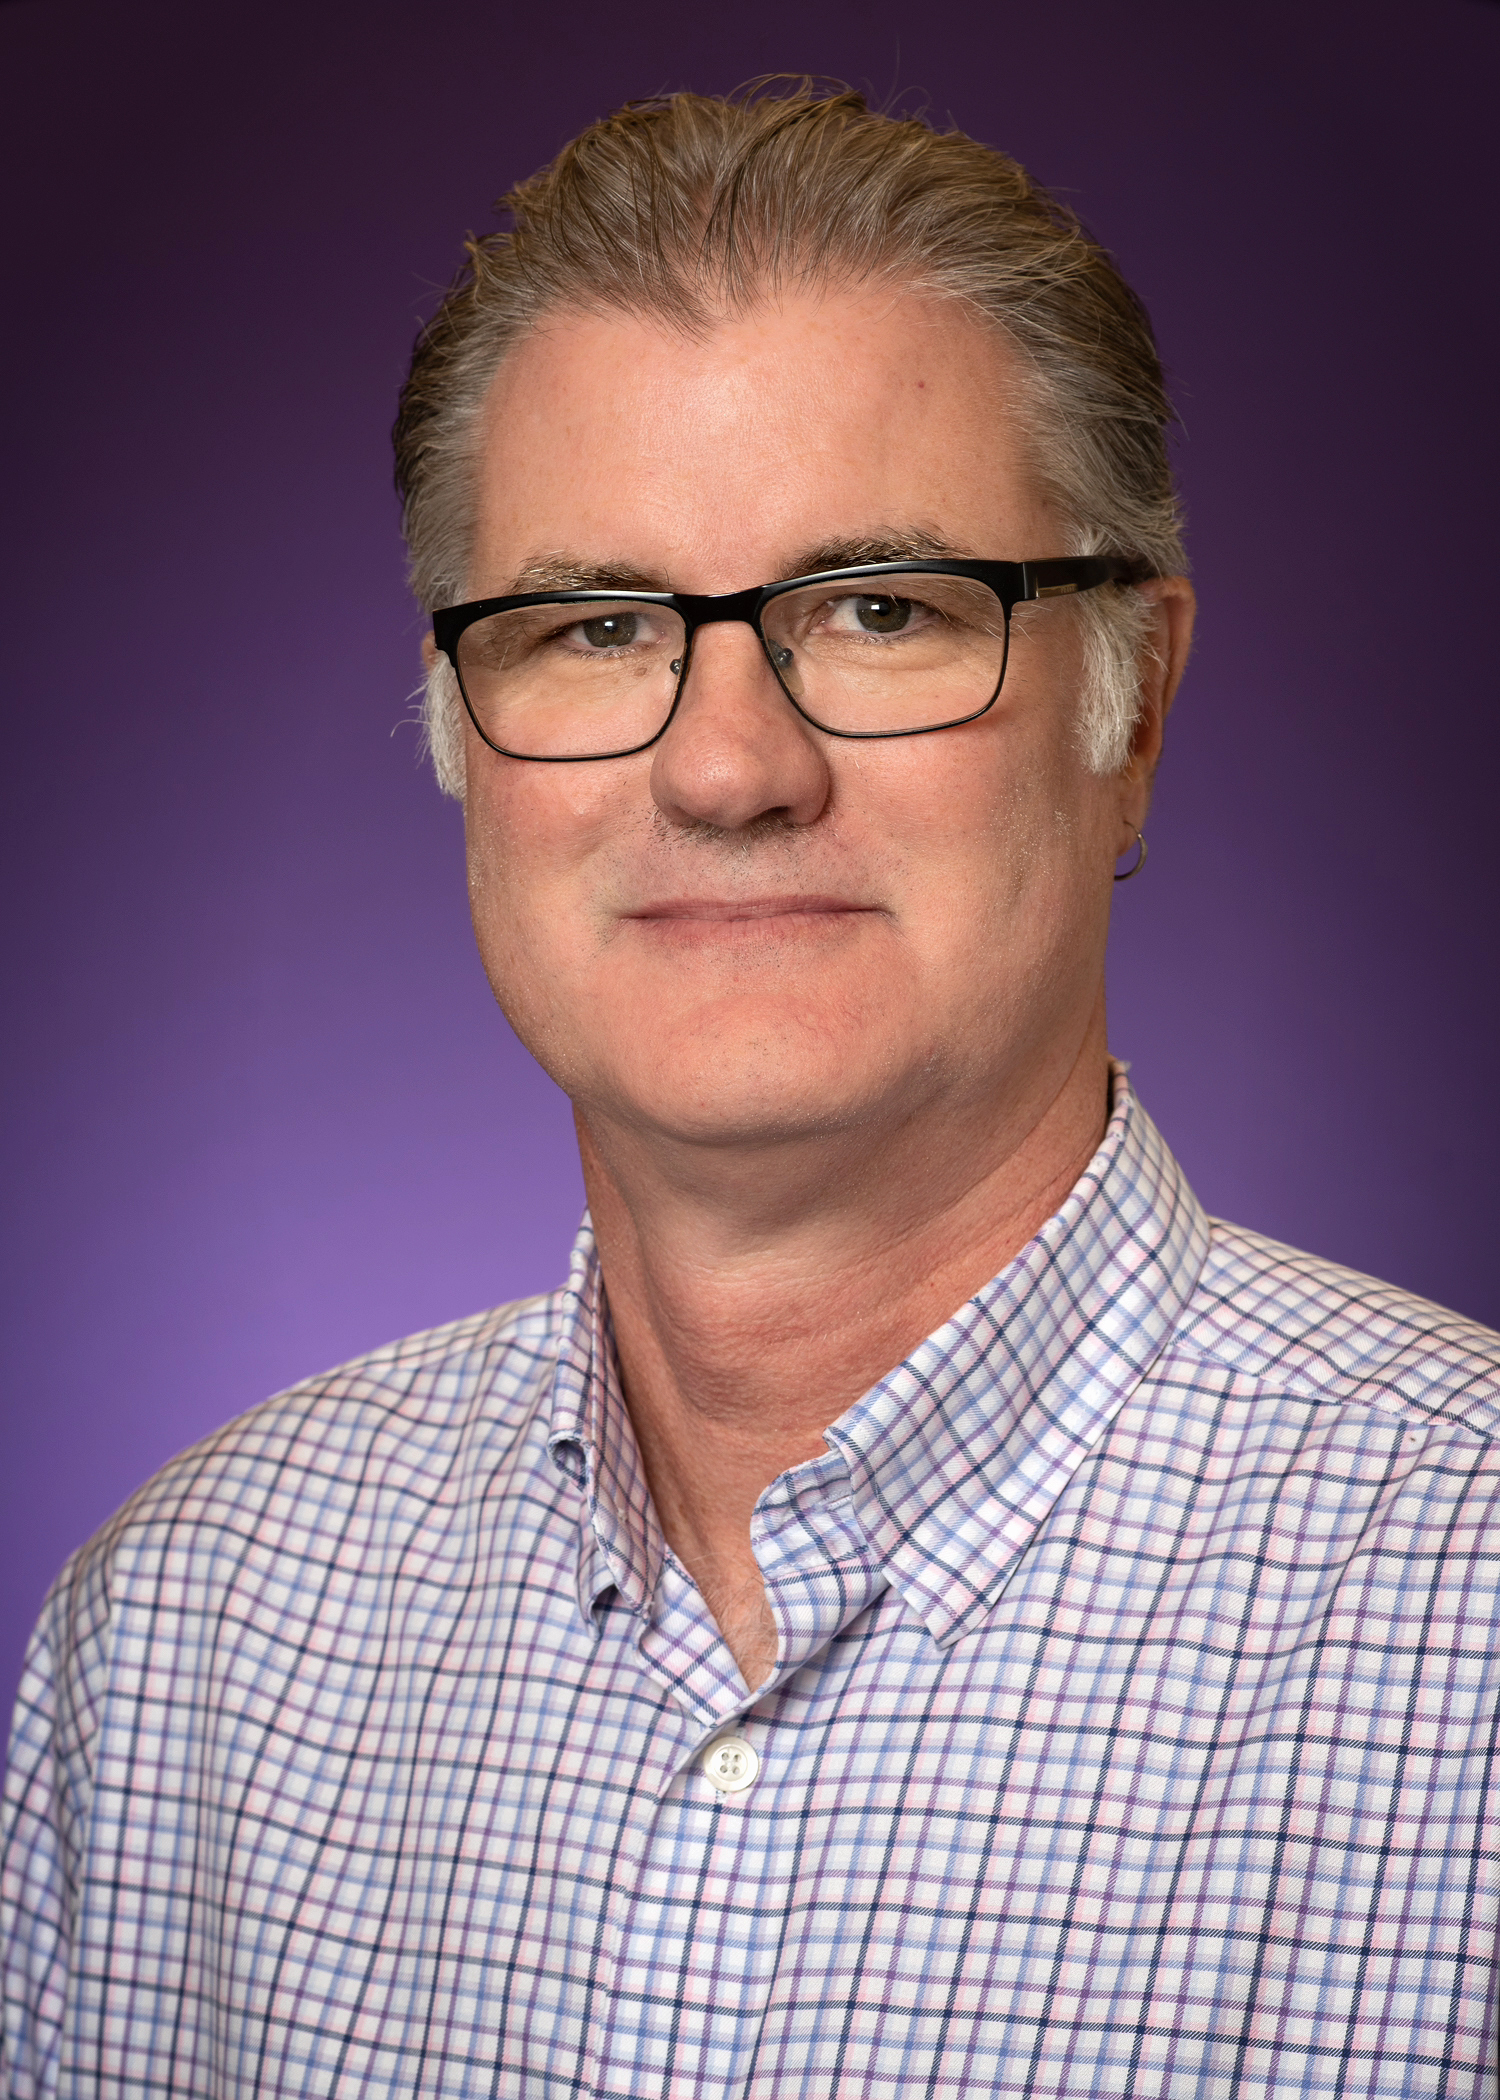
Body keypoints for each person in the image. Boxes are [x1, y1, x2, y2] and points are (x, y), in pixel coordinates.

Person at [5, 82, 1499, 2100]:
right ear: (463, 731)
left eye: (878, 611)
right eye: (592, 626)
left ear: (1130, 708)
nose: (725, 767)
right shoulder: (180, 1641)